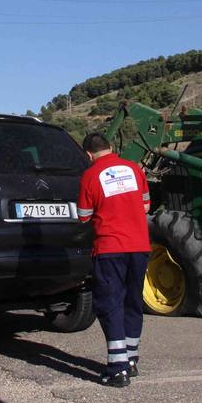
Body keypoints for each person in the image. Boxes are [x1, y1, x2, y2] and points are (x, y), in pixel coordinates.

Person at [76, 132, 151, 388]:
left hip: (110, 248)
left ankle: (117, 368)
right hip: (139, 246)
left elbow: (84, 217)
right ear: (110, 147)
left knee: (110, 304)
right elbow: (146, 206)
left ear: (89, 154)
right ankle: (131, 359)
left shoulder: (89, 176)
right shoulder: (134, 169)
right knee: (133, 301)